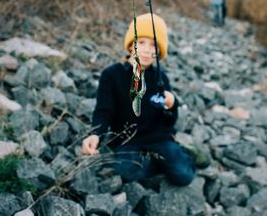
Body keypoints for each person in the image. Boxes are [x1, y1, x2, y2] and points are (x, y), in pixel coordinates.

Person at [81, 13, 196, 186]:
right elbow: (104, 111)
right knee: (127, 171)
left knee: (184, 175)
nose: (147, 50)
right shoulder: (111, 75)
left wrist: (172, 106)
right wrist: (96, 134)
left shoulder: (160, 78)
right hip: (127, 140)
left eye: (153, 45)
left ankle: (180, 155)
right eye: (141, 42)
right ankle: (159, 163)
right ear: (130, 45)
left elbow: (169, 121)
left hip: (158, 138)